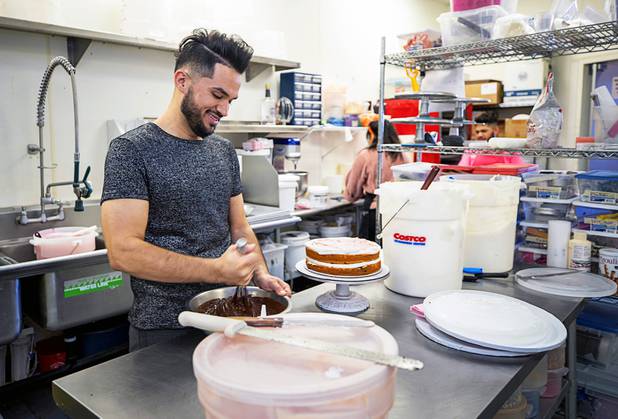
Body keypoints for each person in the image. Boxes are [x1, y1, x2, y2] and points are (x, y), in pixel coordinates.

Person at [101, 29, 291, 351]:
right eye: (217, 95)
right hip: (164, 328)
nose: (225, 110)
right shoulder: (130, 151)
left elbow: (239, 227)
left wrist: (259, 272)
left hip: (227, 320)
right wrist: (217, 270)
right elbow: (122, 252)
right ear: (182, 81)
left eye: (230, 100)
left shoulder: (223, 151)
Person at [344, 120, 406, 241]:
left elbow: (353, 189)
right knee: (391, 247)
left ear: (372, 136)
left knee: (370, 249)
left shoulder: (366, 155)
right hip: (397, 208)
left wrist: (349, 196)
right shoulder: (401, 154)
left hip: (374, 207)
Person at [459, 111, 527, 166]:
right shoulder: (471, 150)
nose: (479, 135)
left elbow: (519, 169)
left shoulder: (509, 150)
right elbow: (462, 169)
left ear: (495, 130)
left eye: (484, 131)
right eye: (477, 132)